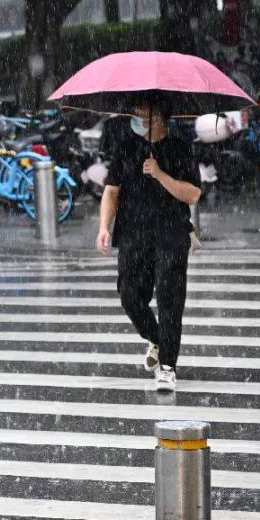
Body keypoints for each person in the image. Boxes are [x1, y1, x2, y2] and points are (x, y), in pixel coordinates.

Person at [96, 102, 201, 392]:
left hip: (171, 236)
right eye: (137, 113)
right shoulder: (126, 148)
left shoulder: (181, 149)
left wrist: (159, 174)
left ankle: (167, 366)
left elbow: (192, 194)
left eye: (144, 114)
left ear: (159, 117)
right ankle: (156, 338)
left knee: (169, 301)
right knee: (130, 296)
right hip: (132, 235)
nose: (138, 118)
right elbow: (111, 192)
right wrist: (104, 227)